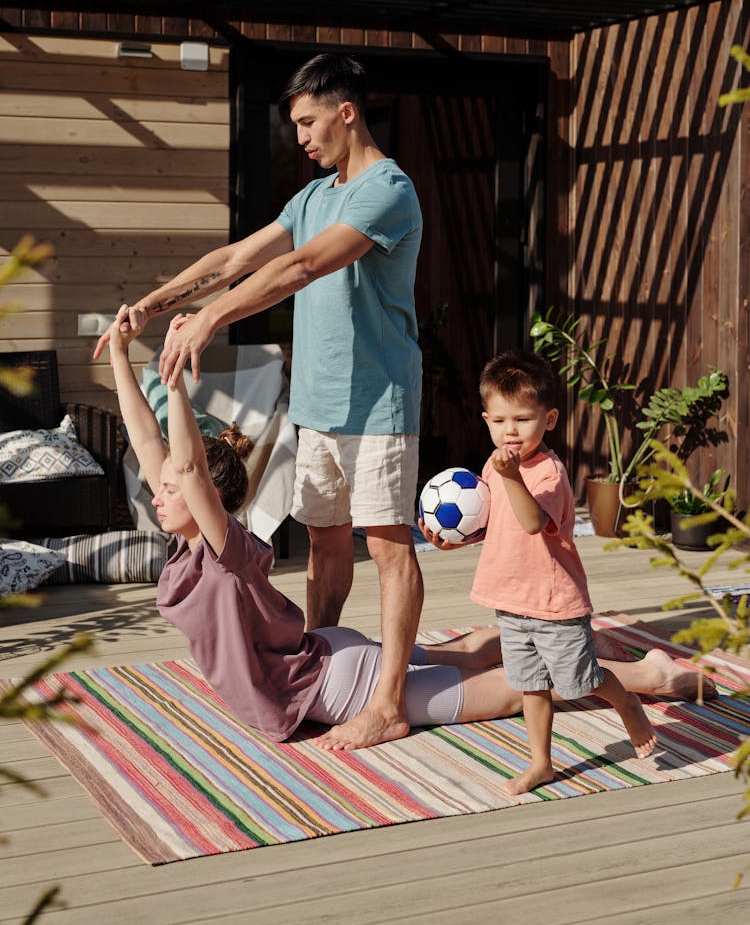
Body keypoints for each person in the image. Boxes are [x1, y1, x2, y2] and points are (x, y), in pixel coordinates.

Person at [104, 309, 710, 749]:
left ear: (209, 497)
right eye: (160, 485)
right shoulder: (189, 541)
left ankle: (651, 676)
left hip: (336, 684)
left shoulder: (224, 551)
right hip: (326, 655)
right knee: (446, 660)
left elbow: (184, 466)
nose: (159, 490)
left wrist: (177, 383)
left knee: (503, 694)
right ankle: (512, 641)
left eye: (173, 486)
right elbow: (151, 444)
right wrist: (117, 359)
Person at [94, 52, 424, 751]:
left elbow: (302, 267)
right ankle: (315, 668)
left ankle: (389, 700)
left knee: (389, 550)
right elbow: (239, 256)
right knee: (327, 547)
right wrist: (155, 303)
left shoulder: (388, 189)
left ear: (346, 111)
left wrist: (212, 320)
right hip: (316, 403)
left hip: (377, 403)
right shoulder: (311, 197)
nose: (301, 138)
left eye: (307, 122)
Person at [420, 348, 661, 797]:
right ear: (486, 419)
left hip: (554, 602)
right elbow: (495, 523)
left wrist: (511, 477)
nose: (510, 431)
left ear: (548, 420)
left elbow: (532, 522)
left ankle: (627, 700)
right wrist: (454, 539)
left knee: (578, 681)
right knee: (531, 686)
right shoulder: (496, 466)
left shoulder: (548, 472)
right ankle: (541, 763)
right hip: (510, 600)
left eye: (523, 420)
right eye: (499, 421)